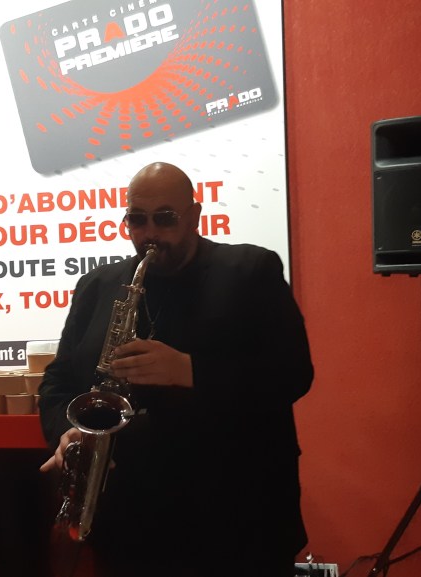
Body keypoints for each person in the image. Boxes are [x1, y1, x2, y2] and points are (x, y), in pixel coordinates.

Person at [38, 162, 314, 577]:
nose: (149, 233)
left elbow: (293, 373)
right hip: (131, 522)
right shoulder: (97, 286)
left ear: (194, 215)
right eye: (137, 219)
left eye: (164, 218)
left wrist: (190, 370)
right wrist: (67, 431)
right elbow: (59, 381)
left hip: (238, 521)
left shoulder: (251, 271)